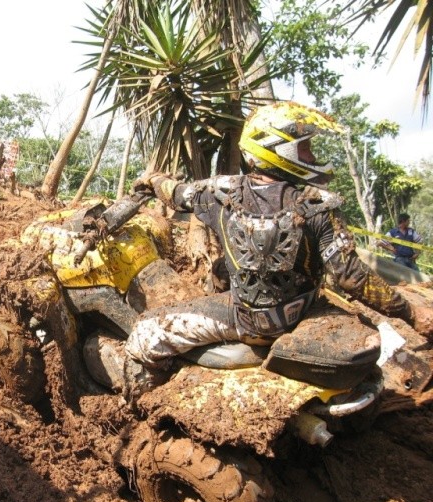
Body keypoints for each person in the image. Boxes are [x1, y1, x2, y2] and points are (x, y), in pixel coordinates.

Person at [99, 101, 432, 396]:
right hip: (303, 312)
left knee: (144, 334)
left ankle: (151, 400)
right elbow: (352, 277)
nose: (312, 157)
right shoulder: (317, 205)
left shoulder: (219, 193)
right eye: (305, 150)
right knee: (362, 325)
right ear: (279, 150)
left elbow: (178, 193)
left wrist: (152, 182)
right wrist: (411, 312)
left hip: (241, 318)